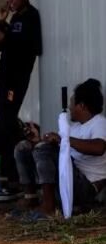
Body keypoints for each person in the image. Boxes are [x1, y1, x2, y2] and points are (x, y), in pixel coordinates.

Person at [12, 79, 106, 220]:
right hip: (67, 180)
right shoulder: (74, 127)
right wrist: (38, 140)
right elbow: (57, 151)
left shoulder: (99, 122)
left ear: (82, 106)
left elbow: (99, 148)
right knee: (23, 148)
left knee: (43, 149)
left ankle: (48, 207)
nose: (69, 108)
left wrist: (63, 140)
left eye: (72, 103)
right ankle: (31, 198)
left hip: (84, 187)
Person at [0, 0, 42, 198]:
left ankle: (15, 179)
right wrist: (1, 23)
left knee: (6, 124)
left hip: (15, 79)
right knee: (6, 124)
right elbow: (4, 46)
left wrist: (1, 35)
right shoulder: (16, 17)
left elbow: (20, 45)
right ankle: (15, 177)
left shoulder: (30, 17)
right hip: (5, 76)